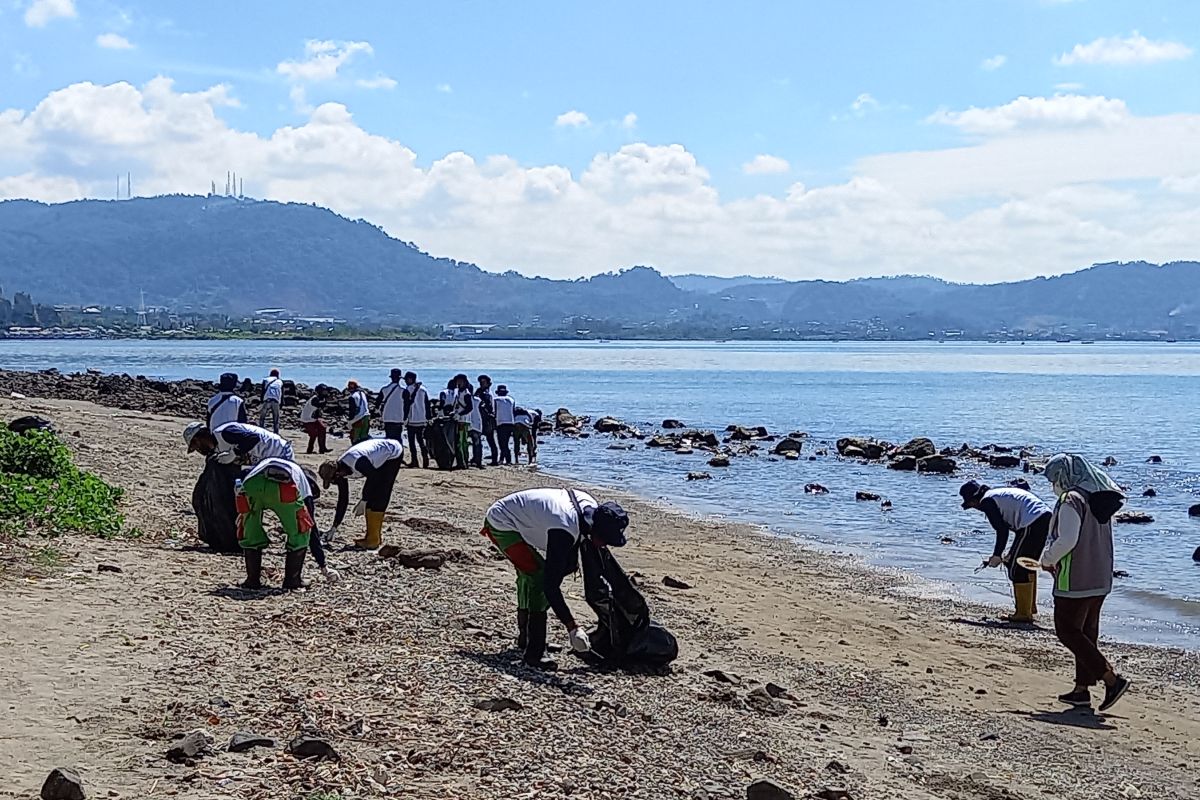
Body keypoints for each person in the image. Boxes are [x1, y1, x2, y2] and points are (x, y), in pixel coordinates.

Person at [482, 487, 630, 670]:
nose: (605, 544)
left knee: (544, 571)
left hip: (526, 518)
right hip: (502, 522)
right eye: (605, 539)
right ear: (595, 531)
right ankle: (534, 652)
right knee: (537, 576)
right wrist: (572, 627)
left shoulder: (590, 509)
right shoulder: (564, 527)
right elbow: (549, 586)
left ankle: (525, 638)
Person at [1041, 453, 1130, 711]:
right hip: (1100, 575)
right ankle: (1081, 690)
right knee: (1087, 634)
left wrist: (1047, 559)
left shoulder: (1071, 500)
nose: (1053, 485)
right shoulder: (1098, 499)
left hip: (1075, 577)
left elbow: (1067, 539)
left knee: (1067, 631)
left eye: (1054, 479)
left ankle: (1111, 679)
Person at [959, 479, 1053, 623]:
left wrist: (997, 555)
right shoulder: (998, 495)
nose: (974, 508)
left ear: (975, 499)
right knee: (1025, 564)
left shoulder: (987, 501)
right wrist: (1007, 555)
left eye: (971, 504)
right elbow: (1017, 532)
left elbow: (1002, 530)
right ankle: (1029, 608)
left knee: (1018, 569)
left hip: (1033, 521)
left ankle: (1023, 614)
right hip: (1044, 517)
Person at [233, 457, 315, 591]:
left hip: (251, 485)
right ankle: (292, 580)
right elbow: (309, 522)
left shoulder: (271, 462)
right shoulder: (303, 482)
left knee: (250, 530)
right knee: (301, 531)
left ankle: (252, 580)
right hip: (284, 488)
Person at [318, 437, 405, 550]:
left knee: (380, 494)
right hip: (375, 458)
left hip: (392, 453)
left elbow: (374, 477)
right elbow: (343, 499)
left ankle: (373, 540)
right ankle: (371, 537)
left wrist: (364, 499)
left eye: (333, 480)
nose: (335, 483)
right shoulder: (340, 471)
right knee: (372, 496)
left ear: (337, 473)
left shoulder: (357, 462)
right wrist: (334, 527)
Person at [184, 421, 294, 464]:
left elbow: (253, 438)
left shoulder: (225, 433)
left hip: (279, 451)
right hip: (266, 460)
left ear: (201, 437)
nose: (199, 451)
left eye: (196, 446)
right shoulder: (218, 448)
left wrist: (234, 453)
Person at [402, 372, 430, 468]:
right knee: (421, 441)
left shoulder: (407, 390)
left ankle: (415, 461)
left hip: (412, 419)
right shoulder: (423, 390)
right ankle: (425, 460)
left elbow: (406, 405)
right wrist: (428, 417)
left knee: (412, 442)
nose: (405, 381)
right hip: (422, 419)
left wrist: (404, 418)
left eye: (406, 379)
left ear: (410, 379)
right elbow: (427, 405)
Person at [300, 384, 332, 454]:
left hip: (312, 419)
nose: (326, 393)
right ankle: (310, 450)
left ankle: (322, 448)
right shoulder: (315, 399)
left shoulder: (318, 398)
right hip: (307, 419)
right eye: (324, 392)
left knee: (322, 428)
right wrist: (326, 400)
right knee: (314, 434)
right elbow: (319, 405)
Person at [451, 374, 474, 470]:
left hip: (463, 421)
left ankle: (464, 462)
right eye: (457, 381)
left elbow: (470, 407)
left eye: (460, 381)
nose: (459, 383)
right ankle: (461, 462)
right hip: (458, 419)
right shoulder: (458, 392)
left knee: (462, 442)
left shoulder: (466, 393)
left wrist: (460, 414)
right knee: (459, 442)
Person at [378, 368, 407, 442]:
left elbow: (377, 403)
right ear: (399, 379)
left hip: (387, 417)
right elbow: (407, 405)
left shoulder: (384, 389)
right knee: (398, 438)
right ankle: (399, 453)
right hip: (399, 418)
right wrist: (405, 417)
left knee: (388, 438)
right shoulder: (403, 391)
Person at [476, 375, 499, 466]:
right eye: (481, 382)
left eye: (483, 382)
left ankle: (494, 460)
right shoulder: (482, 392)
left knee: (490, 440)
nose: (481, 384)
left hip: (487, 419)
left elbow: (488, 407)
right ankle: (478, 458)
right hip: (482, 418)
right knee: (484, 440)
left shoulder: (486, 393)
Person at [493, 385, 516, 465]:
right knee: (506, 442)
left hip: (501, 423)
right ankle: (502, 459)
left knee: (502, 443)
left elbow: (494, 411)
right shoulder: (511, 400)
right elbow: (513, 411)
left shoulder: (495, 400)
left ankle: (508, 460)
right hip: (511, 423)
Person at [346, 380, 371, 444]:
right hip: (366, 416)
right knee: (364, 437)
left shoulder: (352, 397)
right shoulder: (363, 394)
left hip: (358, 419)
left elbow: (352, 411)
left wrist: (350, 422)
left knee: (355, 438)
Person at [260, 369, 284, 434]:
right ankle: (276, 432)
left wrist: (261, 400)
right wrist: (281, 404)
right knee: (276, 418)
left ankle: (261, 430)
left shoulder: (265, 380)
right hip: (276, 400)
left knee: (262, 417)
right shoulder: (280, 381)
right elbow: (282, 393)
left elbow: (263, 391)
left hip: (267, 399)